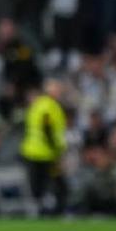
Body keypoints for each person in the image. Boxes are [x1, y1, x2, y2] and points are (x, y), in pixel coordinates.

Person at [20, 79, 68, 215]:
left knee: (38, 186)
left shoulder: (37, 104)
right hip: (45, 154)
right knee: (57, 184)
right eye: (57, 89)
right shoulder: (49, 106)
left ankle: (40, 211)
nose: (60, 92)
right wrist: (56, 151)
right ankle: (57, 211)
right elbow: (47, 128)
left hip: (33, 152)